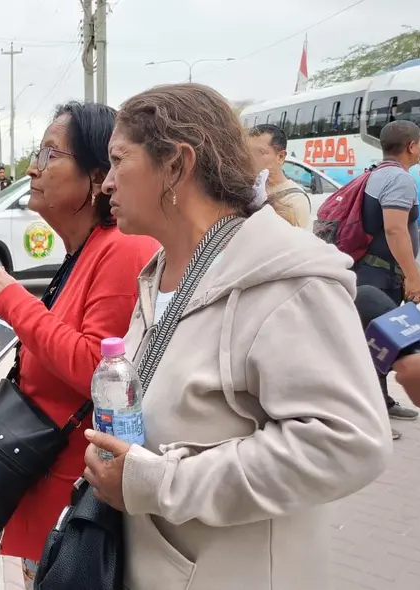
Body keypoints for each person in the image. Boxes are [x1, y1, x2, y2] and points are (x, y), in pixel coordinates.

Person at [81, 83, 392, 590]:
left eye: (118, 161)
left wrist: (161, 484)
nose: (106, 184)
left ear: (177, 165)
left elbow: (348, 441)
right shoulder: (159, 274)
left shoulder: (289, 281)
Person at [0, 101, 159, 587]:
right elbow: (61, 336)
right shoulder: (86, 248)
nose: (33, 167)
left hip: (73, 496)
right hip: (47, 478)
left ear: (97, 177)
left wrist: (12, 300)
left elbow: (100, 366)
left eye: (51, 154)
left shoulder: (122, 248)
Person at [355, 120, 420, 434]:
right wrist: (413, 275)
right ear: (412, 146)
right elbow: (396, 229)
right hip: (380, 273)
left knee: (378, 343)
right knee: (379, 342)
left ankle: (382, 403)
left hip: (372, 271)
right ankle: (372, 419)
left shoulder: (376, 172)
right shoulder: (399, 178)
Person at [246, 124, 311, 228]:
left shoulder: (294, 199)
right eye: (247, 152)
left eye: (258, 152)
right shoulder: (248, 187)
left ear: (280, 157)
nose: (250, 158)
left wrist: (261, 207)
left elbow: (288, 241)